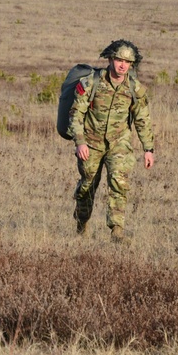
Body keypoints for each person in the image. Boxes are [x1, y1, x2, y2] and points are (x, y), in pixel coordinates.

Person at [68, 39, 154, 242]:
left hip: (119, 142)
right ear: (110, 59)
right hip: (91, 141)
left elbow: (142, 119)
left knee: (119, 181)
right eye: (118, 60)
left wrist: (148, 149)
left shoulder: (135, 88)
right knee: (88, 184)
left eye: (127, 62)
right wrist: (80, 141)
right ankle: (82, 222)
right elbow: (75, 114)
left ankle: (117, 230)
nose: (122, 65)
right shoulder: (91, 83)